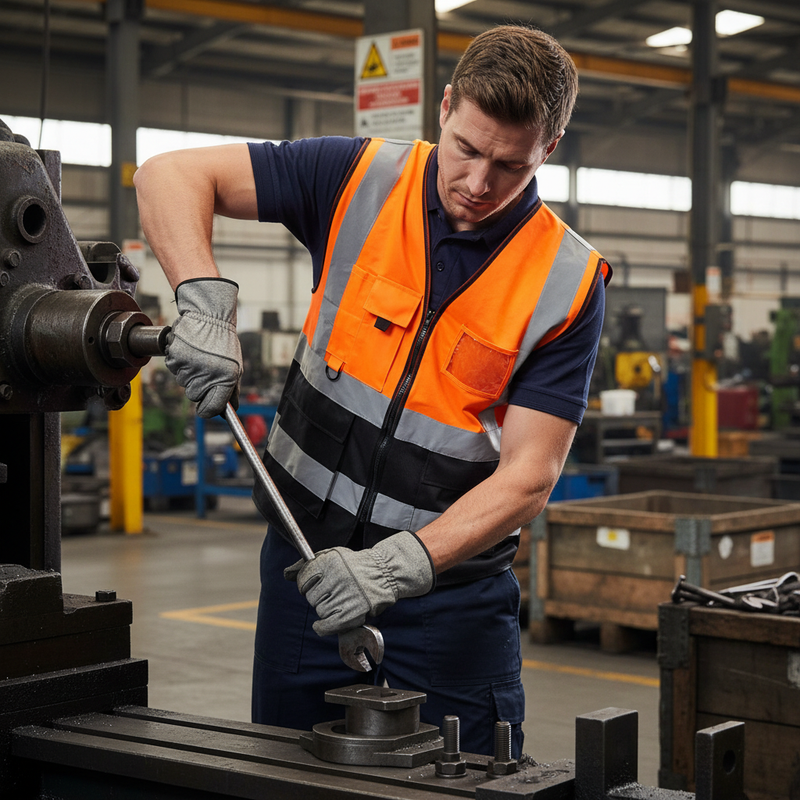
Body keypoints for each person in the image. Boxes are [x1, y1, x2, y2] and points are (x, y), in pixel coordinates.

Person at [134, 24, 611, 759]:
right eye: (466, 149)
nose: (478, 183)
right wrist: (203, 301)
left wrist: (396, 566)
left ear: (550, 148)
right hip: (303, 570)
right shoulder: (357, 177)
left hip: (448, 601)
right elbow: (168, 174)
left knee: (466, 780)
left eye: (510, 165)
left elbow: (529, 475)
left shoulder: (567, 282)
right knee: (286, 774)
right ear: (445, 108)